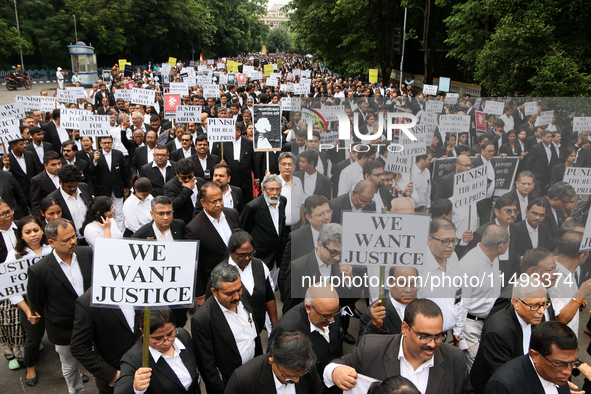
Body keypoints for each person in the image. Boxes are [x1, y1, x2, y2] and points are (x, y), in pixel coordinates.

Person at [324, 299, 470, 393]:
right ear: (405, 329)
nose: (432, 344)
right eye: (424, 337)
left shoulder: (455, 359)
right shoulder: (371, 348)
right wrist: (335, 372)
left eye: (438, 336)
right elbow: (335, 366)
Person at [27, 218, 93, 394]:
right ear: (51, 242)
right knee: (70, 365)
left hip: (95, 322)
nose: (72, 242)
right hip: (63, 328)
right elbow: (37, 301)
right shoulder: (39, 270)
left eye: (73, 237)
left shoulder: (87, 253)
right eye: (66, 240)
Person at [191, 263, 262, 394]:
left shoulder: (241, 296)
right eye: (229, 293)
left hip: (254, 377)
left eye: (239, 289)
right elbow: (208, 369)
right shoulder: (202, 320)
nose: (236, 296)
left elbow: (255, 338)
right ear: (214, 292)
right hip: (230, 385)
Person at [470, 281, 549, 393]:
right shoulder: (498, 332)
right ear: (516, 302)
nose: (542, 311)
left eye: (545, 303)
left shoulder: (536, 317)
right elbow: (506, 377)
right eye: (534, 305)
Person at [3, 216, 52, 384]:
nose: (33, 235)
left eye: (36, 230)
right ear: (21, 235)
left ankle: (70, 366)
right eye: (28, 232)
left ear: (42, 230)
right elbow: (11, 287)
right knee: (33, 339)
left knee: (63, 336)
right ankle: (30, 366)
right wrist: (26, 310)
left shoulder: (51, 248)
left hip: (54, 301)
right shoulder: (14, 255)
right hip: (30, 304)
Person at [71, 287, 141, 394]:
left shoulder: (147, 289)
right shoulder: (88, 301)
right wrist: (111, 376)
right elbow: (79, 347)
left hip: (150, 376)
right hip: (116, 383)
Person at [270, 282, 343, 384]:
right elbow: (278, 367)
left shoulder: (330, 311)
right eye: (326, 316)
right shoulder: (286, 330)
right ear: (308, 308)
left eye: (335, 313)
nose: (332, 320)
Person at [114, 307, 200, 394]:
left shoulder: (183, 336)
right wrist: (135, 387)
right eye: (158, 338)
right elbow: (120, 390)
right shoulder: (133, 359)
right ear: (143, 332)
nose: (166, 342)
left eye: (170, 334)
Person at [210, 229, 277, 331]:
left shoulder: (260, 266)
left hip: (256, 327)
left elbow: (269, 297)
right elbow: (211, 308)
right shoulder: (219, 273)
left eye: (250, 253)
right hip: (233, 329)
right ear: (230, 252)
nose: (246, 258)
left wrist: (275, 324)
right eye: (241, 255)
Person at [485, 321, 578, 394]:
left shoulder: (558, 372)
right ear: (535, 356)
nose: (568, 372)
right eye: (560, 364)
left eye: (573, 363)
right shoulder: (504, 386)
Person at [185, 182, 239, 303]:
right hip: (213, 286)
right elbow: (193, 265)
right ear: (203, 203)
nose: (219, 204)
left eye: (220, 199)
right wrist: (200, 294)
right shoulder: (194, 228)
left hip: (236, 280)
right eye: (213, 201)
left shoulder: (232, 214)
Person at [225, 331, 323, 394]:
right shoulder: (244, 380)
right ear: (272, 361)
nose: (297, 380)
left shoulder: (305, 366)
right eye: (288, 375)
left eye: (300, 374)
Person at [240, 174, 288, 286]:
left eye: (278, 189)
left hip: (277, 255)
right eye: (271, 189)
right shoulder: (253, 207)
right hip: (261, 256)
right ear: (263, 190)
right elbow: (244, 231)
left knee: (273, 285)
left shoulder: (283, 202)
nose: (275, 193)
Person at [359, 266, 418, 340]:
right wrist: (374, 325)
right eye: (402, 283)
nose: (408, 290)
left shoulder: (424, 308)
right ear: (390, 283)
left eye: (412, 283)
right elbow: (362, 346)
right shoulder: (374, 313)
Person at [211, 121, 260, 202]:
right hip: (232, 180)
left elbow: (254, 161)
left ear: (239, 132)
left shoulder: (248, 143)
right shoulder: (224, 144)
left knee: (247, 202)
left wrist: (256, 177)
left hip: (246, 180)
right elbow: (219, 159)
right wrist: (221, 163)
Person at [93, 135, 129, 232]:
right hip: (103, 190)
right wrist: (95, 162)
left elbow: (123, 172)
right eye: (104, 143)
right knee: (105, 214)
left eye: (109, 143)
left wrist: (126, 186)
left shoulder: (118, 154)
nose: (107, 145)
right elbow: (91, 173)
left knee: (119, 213)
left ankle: (120, 233)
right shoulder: (95, 154)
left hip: (117, 189)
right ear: (100, 144)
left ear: (112, 143)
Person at [47, 165, 93, 239]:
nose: (73, 189)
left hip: (90, 235)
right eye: (69, 186)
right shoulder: (53, 199)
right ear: (60, 182)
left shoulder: (84, 187)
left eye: (75, 185)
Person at [164, 158, 205, 225]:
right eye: (183, 178)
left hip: (201, 221)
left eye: (190, 176)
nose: (187, 180)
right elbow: (172, 206)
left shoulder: (200, 182)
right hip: (184, 223)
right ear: (177, 174)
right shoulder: (169, 186)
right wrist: (187, 190)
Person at [30, 151, 62, 217]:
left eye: (59, 163)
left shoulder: (64, 174)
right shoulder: (38, 180)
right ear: (45, 165)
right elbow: (36, 204)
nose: (58, 167)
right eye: (53, 165)